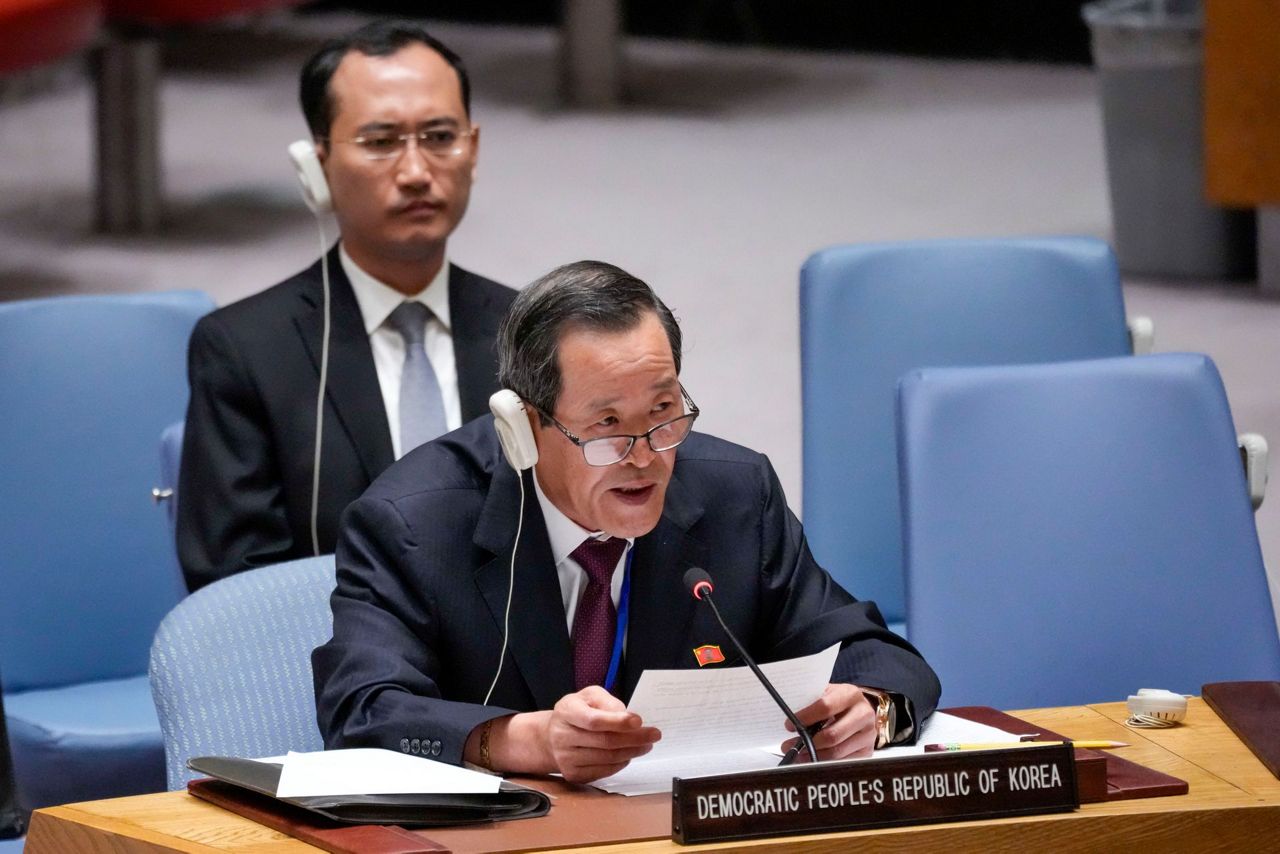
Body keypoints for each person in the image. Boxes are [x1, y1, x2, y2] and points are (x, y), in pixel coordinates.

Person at [313, 260, 940, 784]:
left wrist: (873, 709)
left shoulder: (734, 493)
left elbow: (872, 651)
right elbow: (361, 709)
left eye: (663, 411)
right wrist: (524, 740)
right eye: (607, 424)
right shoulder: (412, 523)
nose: (644, 457)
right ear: (524, 426)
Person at [178, 20, 516, 592]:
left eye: (439, 137)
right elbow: (236, 588)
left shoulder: (533, 332)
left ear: (473, 149)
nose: (416, 173)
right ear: (317, 168)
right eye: (381, 143)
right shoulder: (246, 350)